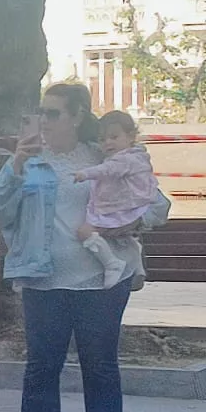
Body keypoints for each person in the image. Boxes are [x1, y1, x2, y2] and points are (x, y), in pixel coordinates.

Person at [0, 83, 155, 412]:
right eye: (41, 112)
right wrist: (15, 167)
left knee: (99, 363)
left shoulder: (107, 155)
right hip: (44, 277)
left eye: (54, 113)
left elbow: (156, 203)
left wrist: (126, 223)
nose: (45, 121)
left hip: (102, 279)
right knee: (42, 363)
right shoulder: (30, 161)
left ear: (77, 116)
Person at [74, 109, 160, 287]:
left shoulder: (124, 159)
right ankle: (136, 263)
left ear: (130, 136)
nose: (107, 143)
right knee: (122, 236)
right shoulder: (134, 157)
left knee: (85, 231)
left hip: (122, 207)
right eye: (102, 139)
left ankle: (111, 263)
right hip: (126, 205)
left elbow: (107, 170)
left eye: (113, 137)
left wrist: (85, 173)